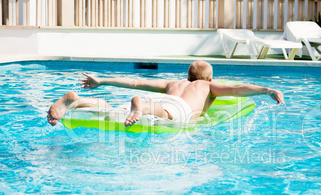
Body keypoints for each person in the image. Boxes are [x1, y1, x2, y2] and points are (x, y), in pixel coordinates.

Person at [47, 61, 285, 127]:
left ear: (188, 77)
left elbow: (136, 82)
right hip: (169, 107)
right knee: (168, 114)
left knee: (112, 111)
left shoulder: (174, 83)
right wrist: (267, 90)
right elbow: (236, 89)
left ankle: (77, 101)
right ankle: (141, 107)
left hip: (160, 99)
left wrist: (102, 80)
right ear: (210, 79)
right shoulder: (208, 87)